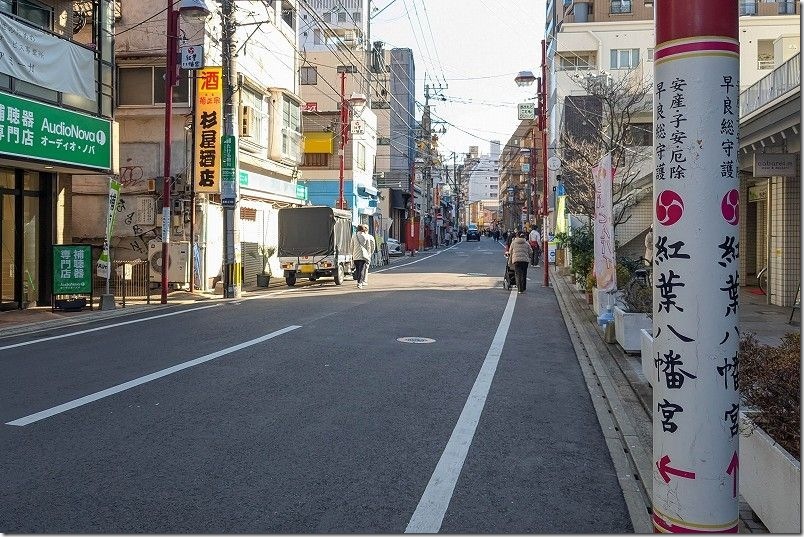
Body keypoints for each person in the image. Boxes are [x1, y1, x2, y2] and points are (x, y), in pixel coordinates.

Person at [351, 224, 376, 289]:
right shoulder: (366, 236)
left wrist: (352, 254)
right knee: (362, 270)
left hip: (355, 256)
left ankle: (358, 281)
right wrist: (369, 255)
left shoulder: (354, 236)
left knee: (358, 269)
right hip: (363, 256)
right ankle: (359, 283)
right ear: (363, 229)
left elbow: (351, 246)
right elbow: (369, 247)